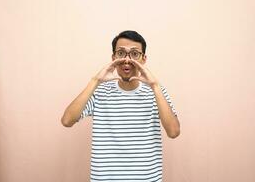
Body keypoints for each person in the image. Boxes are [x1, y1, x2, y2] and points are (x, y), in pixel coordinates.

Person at [61, 30, 180, 182]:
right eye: (121, 53)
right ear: (113, 58)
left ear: (144, 59)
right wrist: (95, 80)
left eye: (135, 54)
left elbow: (173, 132)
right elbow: (67, 120)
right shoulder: (100, 91)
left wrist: (155, 86)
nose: (127, 60)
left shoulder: (156, 92)